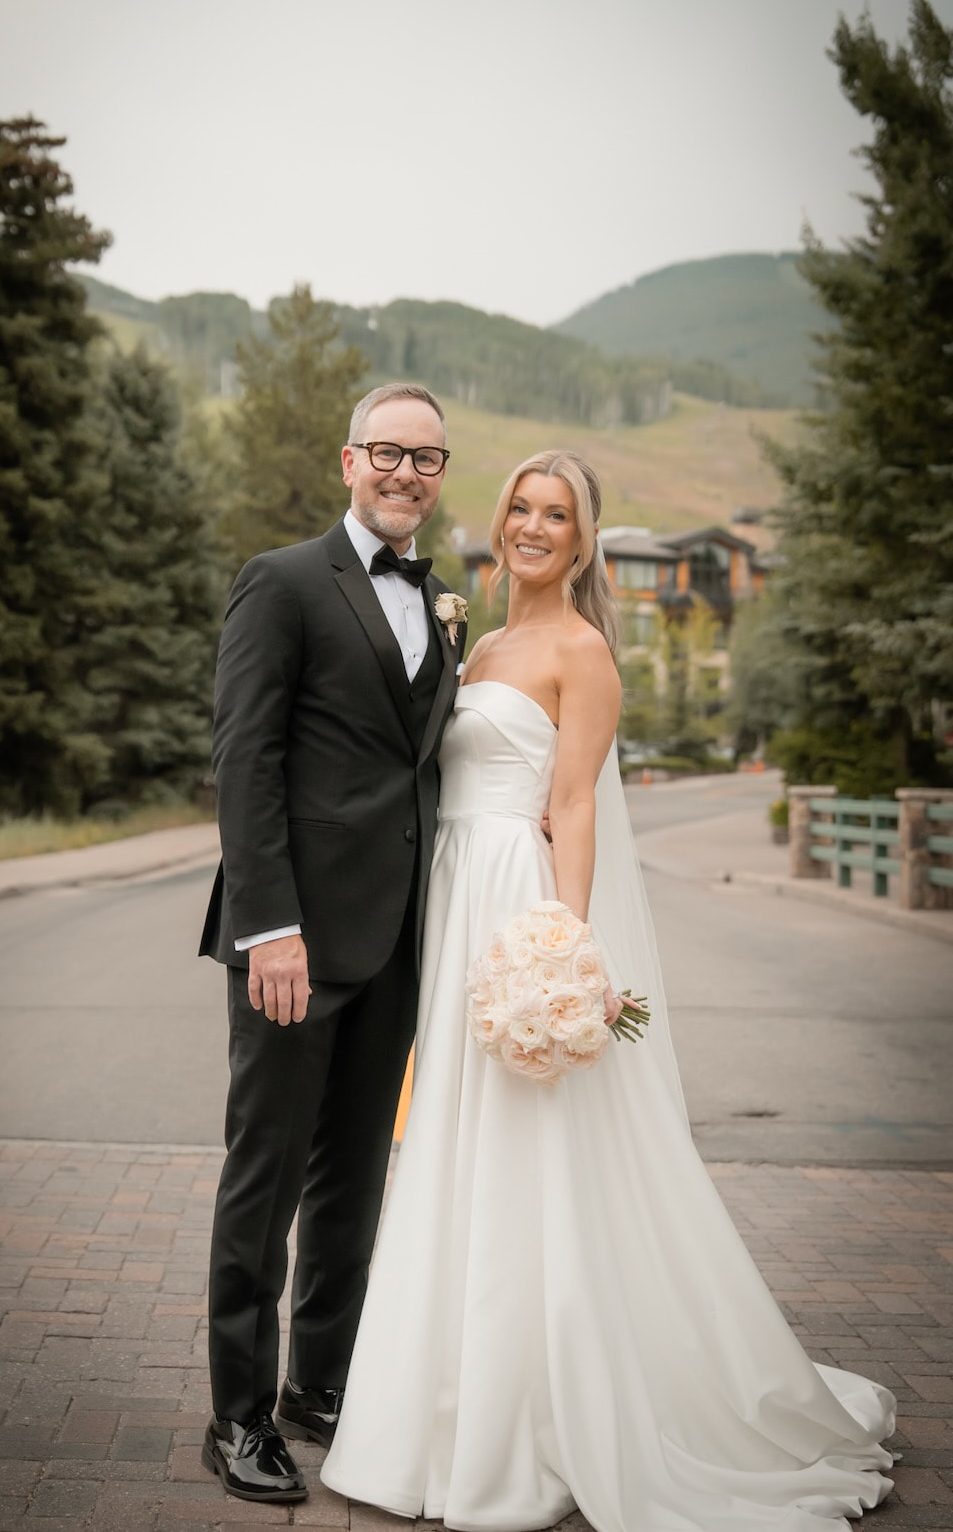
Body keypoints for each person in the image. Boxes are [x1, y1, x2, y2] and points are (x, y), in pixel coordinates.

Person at [321, 451, 895, 1531]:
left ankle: (533, 1411)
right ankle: (441, 1402)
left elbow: (576, 802)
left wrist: (562, 946)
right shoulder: (480, 641)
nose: (535, 527)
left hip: (516, 901)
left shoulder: (583, 651)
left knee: (525, 1142)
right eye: (522, 509)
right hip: (453, 893)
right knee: (451, 1132)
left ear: (584, 540)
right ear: (502, 523)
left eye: (558, 515)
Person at [197, 382, 467, 1505]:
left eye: (428, 457)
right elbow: (245, 757)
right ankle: (238, 1413)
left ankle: (319, 1383)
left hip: (396, 941)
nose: (407, 472)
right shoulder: (284, 580)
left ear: (440, 475)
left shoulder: (445, 603)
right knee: (265, 1175)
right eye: (388, 451)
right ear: (350, 460)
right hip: (292, 940)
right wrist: (269, 924)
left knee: (353, 1177)